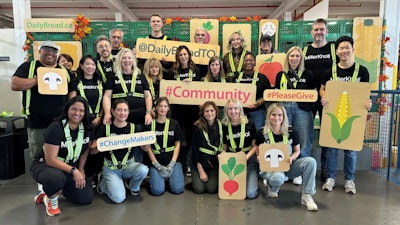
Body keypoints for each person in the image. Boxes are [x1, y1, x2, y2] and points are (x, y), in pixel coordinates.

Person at [320, 36, 371, 194]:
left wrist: (368, 103)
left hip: (353, 116)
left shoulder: (362, 71)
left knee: (351, 150)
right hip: (334, 115)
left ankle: (350, 180)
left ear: (352, 49)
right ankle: (331, 178)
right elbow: (322, 88)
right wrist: (323, 97)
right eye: (341, 48)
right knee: (332, 149)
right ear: (336, 51)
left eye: (347, 48)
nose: (344, 51)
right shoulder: (330, 71)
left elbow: (365, 93)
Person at [30, 96, 94, 216]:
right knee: (55, 179)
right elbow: (50, 159)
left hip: (69, 166)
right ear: (67, 110)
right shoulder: (55, 128)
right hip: (46, 165)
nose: (77, 113)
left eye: (81, 110)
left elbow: (85, 149)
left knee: (85, 198)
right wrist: (74, 171)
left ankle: (50, 190)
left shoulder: (88, 128)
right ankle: (51, 197)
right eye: (74, 109)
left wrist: (81, 169)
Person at [11, 41, 69, 160]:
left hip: (61, 123)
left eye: (54, 51)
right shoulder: (28, 66)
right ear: (39, 51)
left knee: (61, 155)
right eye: (46, 49)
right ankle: (41, 179)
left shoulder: (63, 70)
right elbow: (15, 84)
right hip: (37, 123)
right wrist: (40, 79)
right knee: (39, 157)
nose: (50, 53)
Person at [257, 103, 318, 211]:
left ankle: (307, 196)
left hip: (288, 165)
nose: (277, 118)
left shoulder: (292, 131)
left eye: (280, 115)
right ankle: (273, 187)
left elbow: (297, 151)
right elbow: (259, 153)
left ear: (284, 116)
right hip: (270, 169)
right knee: (278, 178)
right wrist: (259, 158)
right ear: (268, 116)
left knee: (311, 162)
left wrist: (292, 158)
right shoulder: (261, 133)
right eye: (273, 115)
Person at [91, 99, 149, 203]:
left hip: (128, 165)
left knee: (143, 170)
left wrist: (148, 141)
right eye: (119, 110)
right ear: (112, 112)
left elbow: (145, 149)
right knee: (119, 199)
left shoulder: (133, 128)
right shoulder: (106, 128)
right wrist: (104, 145)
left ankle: (133, 188)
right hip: (111, 168)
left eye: (125, 110)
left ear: (128, 112)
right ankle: (103, 184)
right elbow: (92, 151)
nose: (122, 113)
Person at [102, 48, 153, 163]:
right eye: (124, 58)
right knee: (122, 147)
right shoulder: (113, 77)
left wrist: (148, 113)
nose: (127, 60)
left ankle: (136, 172)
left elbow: (148, 96)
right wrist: (107, 113)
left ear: (133, 60)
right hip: (121, 119)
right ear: (119, 60)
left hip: (139, 118)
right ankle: (120, 172)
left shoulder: (141, 76)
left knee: (138, 147)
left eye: (129, 58)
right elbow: (107, 96)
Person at [274, 46, 316, 185]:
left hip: (302, 109)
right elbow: (277, 92)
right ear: (287, 58)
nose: (294, 59)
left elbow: (313, 93)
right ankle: (285, 169)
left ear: (301, 59)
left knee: (303, 139)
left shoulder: (308, 74)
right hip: (285, 108)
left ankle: (300, 171)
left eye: (297, 56)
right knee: (285, 138)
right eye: (292, 56)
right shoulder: (281, 74)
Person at [303, 18, 336, 181]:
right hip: (309, 97)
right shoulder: (305, 51)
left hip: (328, 99)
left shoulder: (333, 49)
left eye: (322, 29)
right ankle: (306, 167)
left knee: (327, 134)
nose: (319, 32)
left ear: (326, 31)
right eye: (316, 29)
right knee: (307, 133)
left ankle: (325, 168)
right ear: (312, 32)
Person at [165, 45, 202, 176]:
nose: (183, 57)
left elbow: (201, 88)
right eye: (180, 55)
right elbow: (167, 90)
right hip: (178, 111)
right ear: (177, 57)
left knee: (192, 138)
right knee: (178, 138)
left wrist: (191, 84)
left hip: (192, 111)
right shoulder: (172, 72)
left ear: (189, 55)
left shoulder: (196, 70)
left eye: (185, 54)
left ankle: (190, 164)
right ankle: (178, 163)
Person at [69, 55, 105, 185]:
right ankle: (84, 174)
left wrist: (100, 117)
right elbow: (72, 101)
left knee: (97, 148)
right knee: (84, 148)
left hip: (98, 121)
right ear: (82, 66)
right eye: (87, 64)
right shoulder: (75, 82)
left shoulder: (100, 82)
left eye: (93, 64)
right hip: (82, 121)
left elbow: (104, 102)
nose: (90, 67)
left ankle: (97, 175)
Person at [142, 97, 184, 196]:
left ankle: (169, 179)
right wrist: (157, 165)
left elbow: (178, 144)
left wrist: (172, 164)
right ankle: (159, 179)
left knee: (178, 189)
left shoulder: (174, 123)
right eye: (160, 106)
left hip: (172, 160)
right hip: (156, 161)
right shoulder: (149, 125)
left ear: (168, 108)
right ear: (156, 108)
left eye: (165, 106)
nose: (163, 108)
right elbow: (148, 148)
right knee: (157, 191)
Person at [221, 98, 258, 199]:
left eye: (236, 108)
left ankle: (252, 177)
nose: (233, 112)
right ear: (226, 111)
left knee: (250, 194)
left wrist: (245, 158)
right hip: (232, 160)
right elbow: (224, 148)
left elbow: (255, 146)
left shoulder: (249, 123)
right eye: (230, 109)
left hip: (248, 158)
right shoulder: (224, 126)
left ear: (240, 109)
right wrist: (222, 155)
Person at [190, 101, 222, 194]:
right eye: (207, 111)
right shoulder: (197, 127)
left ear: (216, 112)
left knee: (211, 189)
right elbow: (195, 150)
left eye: (212, 110)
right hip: (199, 160)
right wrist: (201, 171)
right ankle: (195, 176)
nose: (210, 113)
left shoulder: (220, 125)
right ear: (203, 114)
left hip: (213, 162)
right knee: (199, 190)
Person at [234, 52, 272, 130]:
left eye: (251, 60)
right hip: (239, 112)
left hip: (257, 112)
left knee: (257, 133)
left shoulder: (262, 78)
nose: (248, 62)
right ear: (243, 63)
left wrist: (259, 102)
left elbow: (269, 95)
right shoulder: (236, 77)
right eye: (246, 60)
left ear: (254, 63)